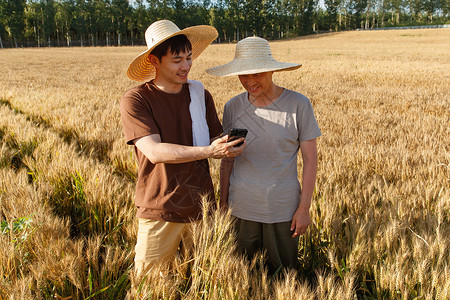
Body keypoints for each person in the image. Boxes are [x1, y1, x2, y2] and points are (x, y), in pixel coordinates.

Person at [120, 20, 245, 276]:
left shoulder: (200, 95)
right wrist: (211, 151)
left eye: (189, 58)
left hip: (201, 208)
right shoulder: (137, 99)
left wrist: (228, 143)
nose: (186, 66)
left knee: (202, 280)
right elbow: (154, 152)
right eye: (177, 60)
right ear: (155, 60)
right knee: (150, 286)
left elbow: (214, 138)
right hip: (160, 209)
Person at [206, 36, 321, 275]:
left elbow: (311, 159)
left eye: (256, 73)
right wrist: (223, 202)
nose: (250, 81)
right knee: (243, 275)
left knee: (283, 277)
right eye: (243, 75)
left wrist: (304, 208)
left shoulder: (299, 104)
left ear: (271, 70)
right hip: (241, 208)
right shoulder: (232, 107)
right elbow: (228, 160)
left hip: (282, 209)